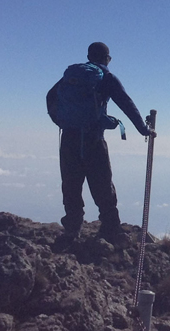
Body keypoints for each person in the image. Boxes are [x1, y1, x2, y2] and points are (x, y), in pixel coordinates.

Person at [46, 42, 154, 243]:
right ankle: (110, 228)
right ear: (106, 58)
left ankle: (72, 228)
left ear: (89, 56)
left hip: (68, 137)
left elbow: (50, 96)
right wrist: (144, 130)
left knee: (71, 183)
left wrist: (61, 121)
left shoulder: (72, 76)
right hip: (93, 138)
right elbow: (126, 103)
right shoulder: (106, 77)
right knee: (102, 184)